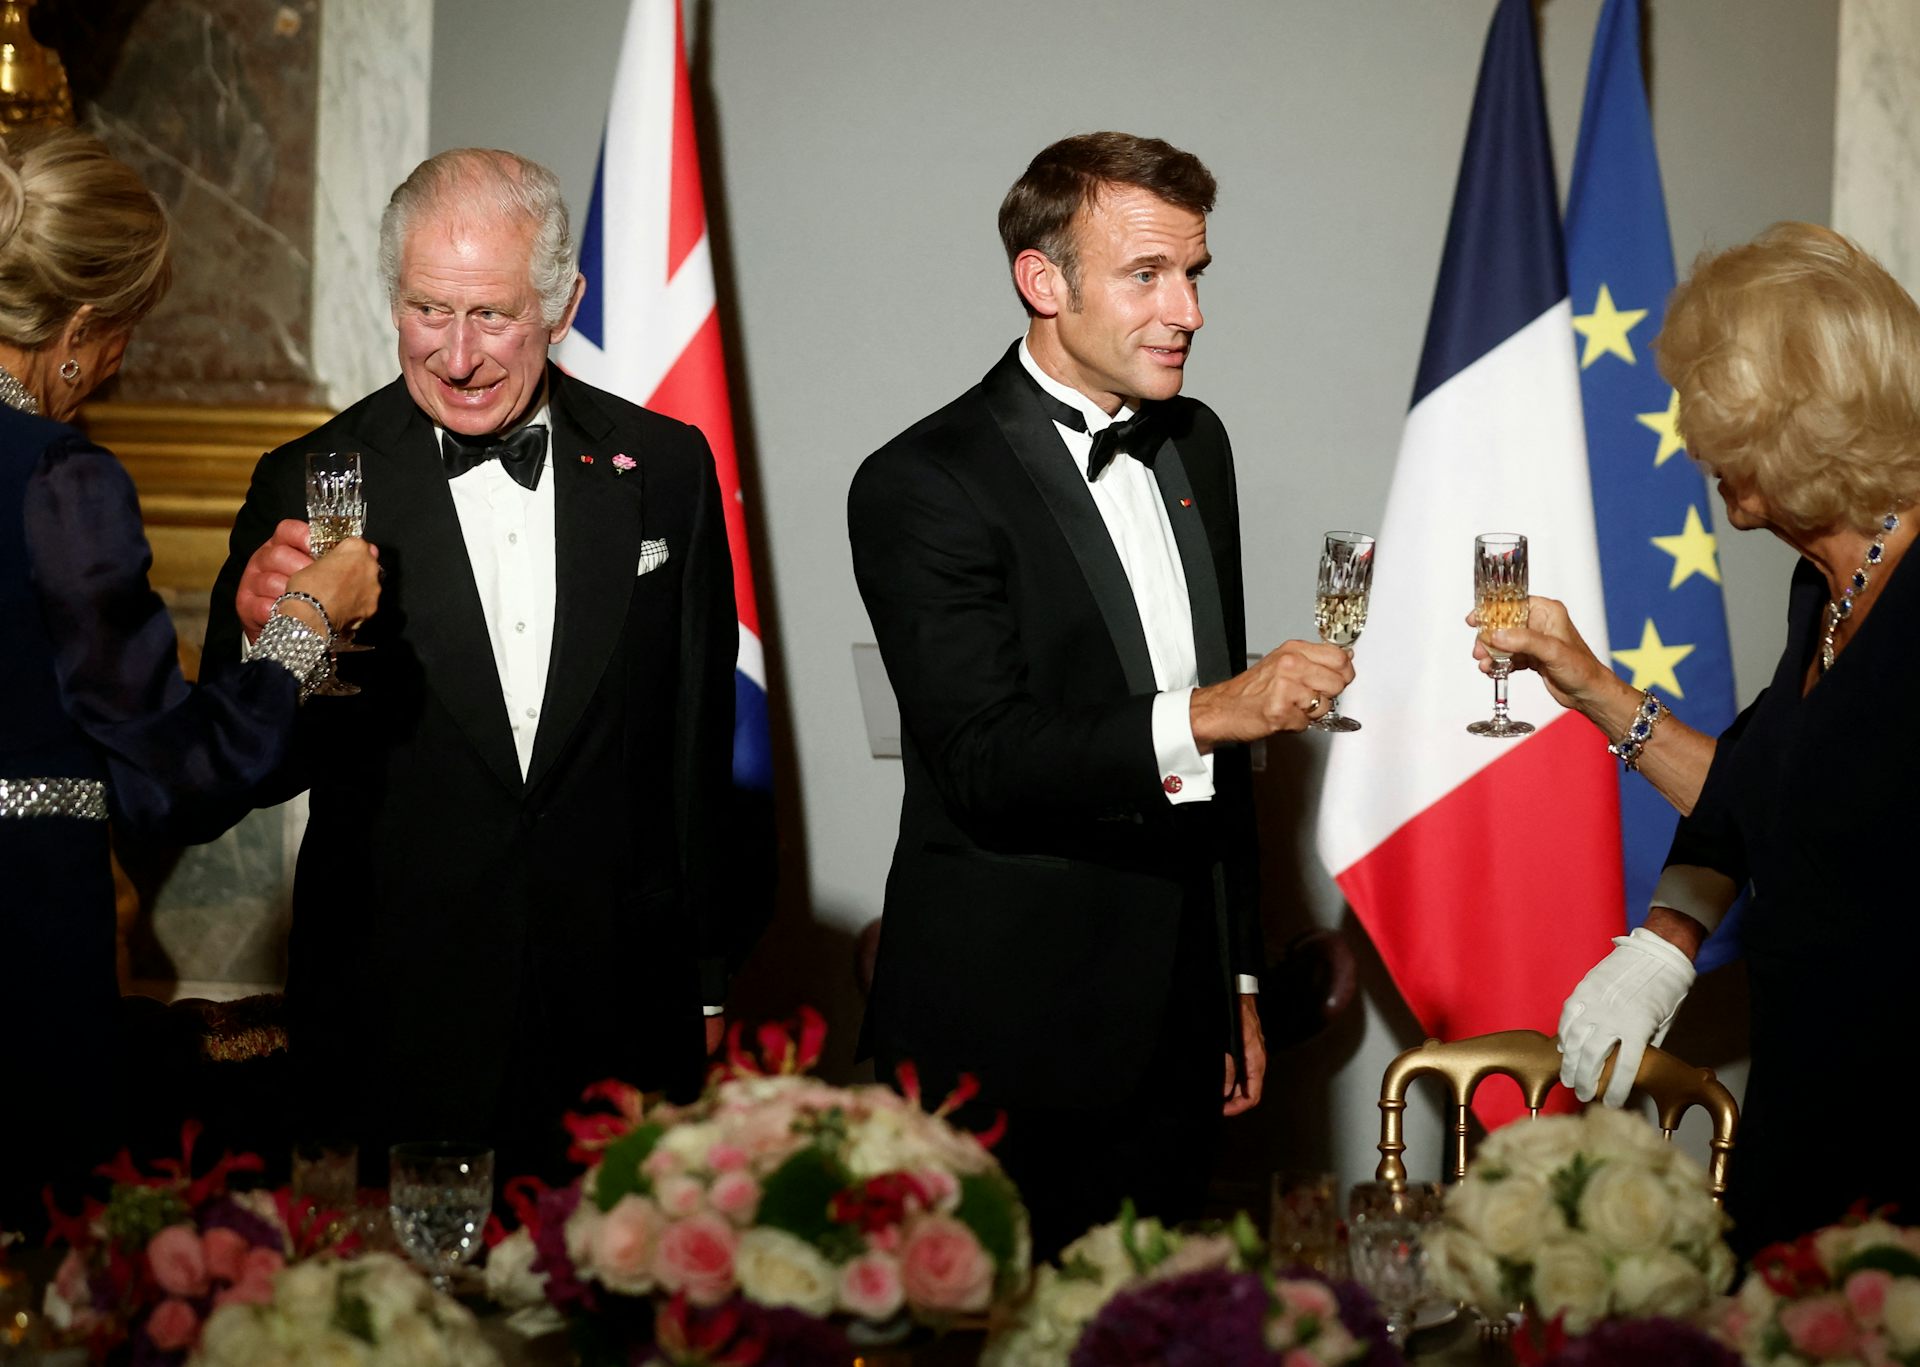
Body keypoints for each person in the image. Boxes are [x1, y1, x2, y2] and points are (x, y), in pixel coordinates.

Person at [848, 132, 1353, 1256]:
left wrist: (1236, 975)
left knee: (1162, 1318)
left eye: (1194, 273)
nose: (1189, 312)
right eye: (1147, 275)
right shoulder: (920, 480)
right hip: (1001, 1029)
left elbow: (1218, 783)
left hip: (1181, 1018)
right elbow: (983, 757)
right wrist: (1216, 709)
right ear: (1043, 280)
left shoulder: (1196, 442)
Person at [200, 149, 741, 1179]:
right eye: (428, 311)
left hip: (615, 1014)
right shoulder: (311, 479)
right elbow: (242, 769)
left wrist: (705, 978)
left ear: (563, 305)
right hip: (392, 1016)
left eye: (491, 314)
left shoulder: (666, 467)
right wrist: (273, 640)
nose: (456, 356)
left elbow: (694, 744)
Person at [1474, 221, 1920, 1254]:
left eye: (1719, 422)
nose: (1691, 446)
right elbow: (1758, 789)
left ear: (1805, 427)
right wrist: (1584, 681)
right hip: (1806, 1105)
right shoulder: (1825, 586)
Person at [0, 129, 380, 1234]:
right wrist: (305, 624)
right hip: (19, 940)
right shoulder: (59, 480)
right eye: (126, 331)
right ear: (79, 330)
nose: (122, 362)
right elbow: (171, 775)